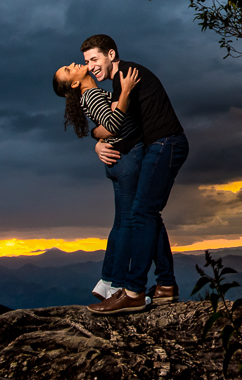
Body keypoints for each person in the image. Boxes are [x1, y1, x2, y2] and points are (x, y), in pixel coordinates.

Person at [79, 33, 189, 315]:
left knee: (141, 213)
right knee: (149, 213)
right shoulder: (121, 80)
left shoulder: (125, 76)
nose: (91, 66)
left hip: (165, 144)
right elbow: (120, 127)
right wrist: (97, 141)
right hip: (161, 145)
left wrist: (97, 137)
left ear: (111, 55)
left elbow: (115, 127)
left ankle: (133, 291)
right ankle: (165, 286)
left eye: (94, 59)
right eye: (87, 62)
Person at [52, 61, 149, 303]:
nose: (72, 64)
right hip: (124, 160)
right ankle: (118, 285)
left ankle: (107, 281)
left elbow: (105, 124)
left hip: (116, 163)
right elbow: (114, 125)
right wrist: (126, 91)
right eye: (68, 70)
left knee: (120, 223)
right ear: (75, 83)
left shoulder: (92, 94)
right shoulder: (92, 95)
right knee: (128, 224)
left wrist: (97, 138)